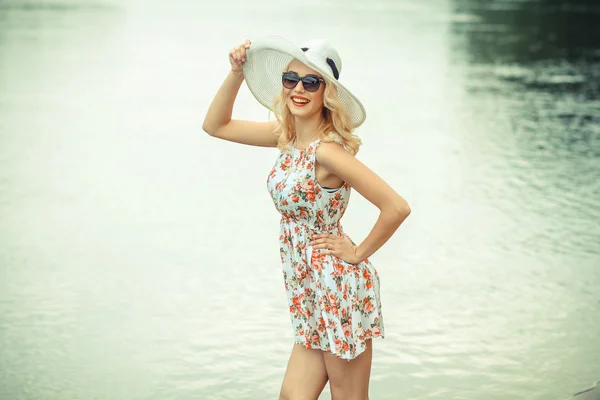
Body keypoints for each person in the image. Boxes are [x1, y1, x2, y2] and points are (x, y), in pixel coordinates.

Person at [202, 36, 411, 400]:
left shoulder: (328, 153)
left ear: (325, 94)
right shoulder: (286, 138)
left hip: (336, 289)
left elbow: (396, 206)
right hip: (305, 289)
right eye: (291, 80)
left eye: (310, 82)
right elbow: (215, 126)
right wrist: (236, 72)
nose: (298, 89)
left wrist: (358, 253)